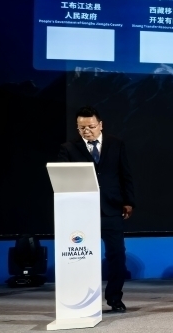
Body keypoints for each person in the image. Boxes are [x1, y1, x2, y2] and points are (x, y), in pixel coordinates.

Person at [57, 106, 135, 313]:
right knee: (81, 256)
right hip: (82, 212)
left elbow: (125, 174)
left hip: (111, 208)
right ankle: (82, 298)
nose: (86, 131)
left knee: (117, 256)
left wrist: (129, 201)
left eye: (91, 126)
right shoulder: (68, 148)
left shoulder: (116, 144)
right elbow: (63, 179)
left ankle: (114, 298)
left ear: (100, 125)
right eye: (81, 128)